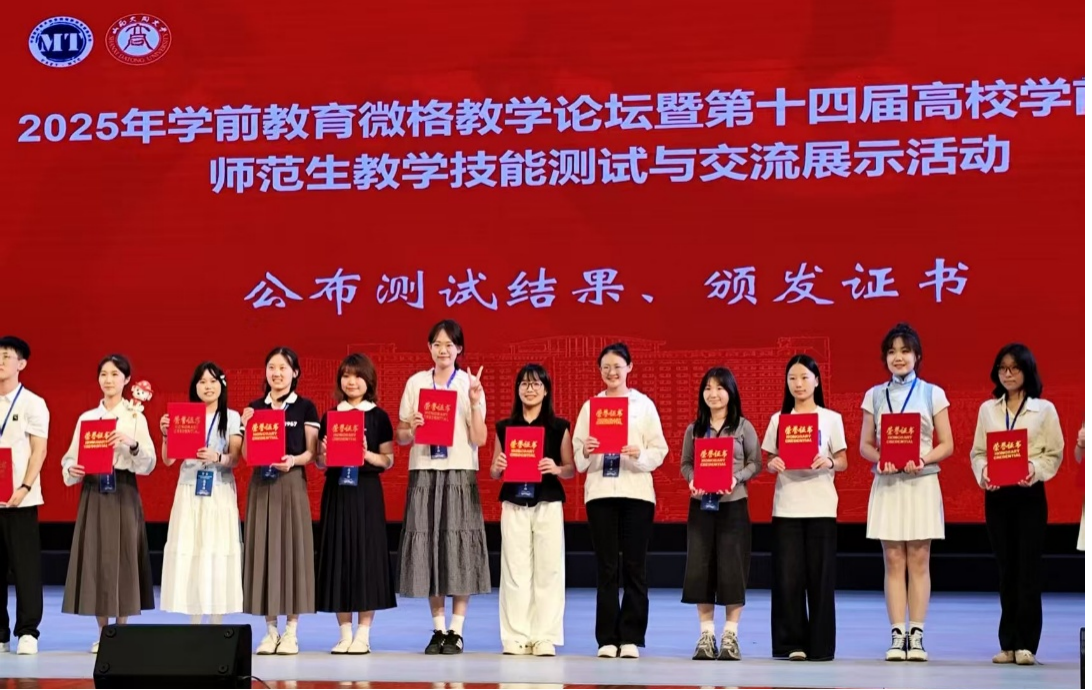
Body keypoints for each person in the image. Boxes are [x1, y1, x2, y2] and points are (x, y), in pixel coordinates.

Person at [859, 323, 953, 662]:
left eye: (904, 351)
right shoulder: (874, 395)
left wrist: (923, 459)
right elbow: (865, 445)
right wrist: (880, 459)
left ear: (917, 356)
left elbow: (947, 443)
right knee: (893, 559)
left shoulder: (932, 393)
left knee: (919, 558)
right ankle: (897, 635)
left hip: (921, 482)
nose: (898, 357)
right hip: (888, 483)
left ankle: (918, 635)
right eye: (892, 351)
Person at [396, 320, 490, 655]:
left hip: (460, 472)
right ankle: (438, 629)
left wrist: (475, 401)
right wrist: (412, 427)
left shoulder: (469, 384)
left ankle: (457, 630)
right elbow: (401, 436)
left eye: (450, 344)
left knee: (459, 547)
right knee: (429, 547)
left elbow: (480, 438)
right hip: (424, 470)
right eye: (437, 344)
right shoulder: (416, 383)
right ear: (429, 348)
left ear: (459, 349)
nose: (443, 350)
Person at [573, 342, 669, 659]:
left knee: (634, 566)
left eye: (617, 366)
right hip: (601, 493)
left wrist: (639, 454)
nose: (612, 372)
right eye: (606, 367)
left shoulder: (644, 405)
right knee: (606, 567)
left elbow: (659, 449)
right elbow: (578, 456)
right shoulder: (591, 407)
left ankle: (631, 636)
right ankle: (606, 638)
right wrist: (586, 449)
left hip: (636, 493)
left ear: (630, 367)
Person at [970, 343, 1064, 666]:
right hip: (997, 496)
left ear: (1027, 371)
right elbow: (978, 452)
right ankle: (1007, 643)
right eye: (1002, 368)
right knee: (1006, 570)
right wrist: (984, 472)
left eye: (1014, 368)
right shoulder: (988, 410)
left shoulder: (1044, 409)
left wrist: (1034, 469)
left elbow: (1054, 453)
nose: (1008, 374)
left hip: (1029, 496)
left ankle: (1026, 643)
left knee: (1028, 569)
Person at [61, 354, 156, 653]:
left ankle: (121, 629)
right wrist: (73, 469)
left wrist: (131, 443)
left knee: (124, 556)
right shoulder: (87, 418)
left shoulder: (135, 417)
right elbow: (69, 459)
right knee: (97, 557)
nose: (108, 380)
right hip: (94, 490)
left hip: (123, 489)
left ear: (126, 380)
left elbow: (149, 463)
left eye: (115, 374)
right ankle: (103, 632)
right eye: (104, 374)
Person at [761, 355, 848, 662]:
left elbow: (843, 460)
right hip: (787, 506)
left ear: (817, 381)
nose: (798, 384)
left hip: (821, 505)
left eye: (804, 377)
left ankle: (821, 646)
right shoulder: (779, 419)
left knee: (820, 578)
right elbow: (768, 458)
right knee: (788, 578)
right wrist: (773, 463)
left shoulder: (831, 418)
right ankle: (791, 643)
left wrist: (830, 462)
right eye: (792, 379)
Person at [490, 364, 574, 657]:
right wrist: (498, 466)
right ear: (517, 390)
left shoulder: (559, 427)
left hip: (547, 502)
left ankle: (544, 637)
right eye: (524, 384)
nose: (530, 389)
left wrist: (556, 468)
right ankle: (516, 636)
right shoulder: (504, 427)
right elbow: (494, 471)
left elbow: (570, 469)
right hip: (514, 502)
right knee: (515, 570)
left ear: (546, 390)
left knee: (549, 570)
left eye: (536, 384)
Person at [316, 353, 397, 654]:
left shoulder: (378, 417)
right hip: (338, 491)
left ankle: (363, 633)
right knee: (338, 557)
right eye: (346, 376)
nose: (351, 382)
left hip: (366, 492)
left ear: (369, 380)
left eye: (357, 376)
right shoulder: (330, 417)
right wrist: (324, 455)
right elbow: (321, 462)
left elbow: (388, 460)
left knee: (366, 558)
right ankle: (344, 633)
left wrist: (366, 455)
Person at [241, 347, 319, 655]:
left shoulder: (305, 408)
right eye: (271, 367)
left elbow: (312, 452)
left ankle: (291, 632)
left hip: (291, 483)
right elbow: (246, 454)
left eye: (283, 368)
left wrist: (293, 460)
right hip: (261, 486)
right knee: (264, 552)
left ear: (295, 372)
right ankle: (270, 630)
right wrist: (247, 425)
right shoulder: (255, 408)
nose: (276, 373)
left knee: (292, 553)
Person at [679, 366, 760, 661]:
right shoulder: (695, 429)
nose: (713, 394)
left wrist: (736, 478)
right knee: (701, 568)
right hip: (702, 506)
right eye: (708, 388)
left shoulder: (743, 427)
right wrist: (692, 479)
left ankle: (730, 635)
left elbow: (755, 463)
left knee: (732, 568)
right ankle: (706, 635)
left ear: (731, 392)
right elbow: (686, 463)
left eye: (720, 388)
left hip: (733, 505)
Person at [158, 362, 244, 624]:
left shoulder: (232, 417)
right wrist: (166, 435)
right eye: (202, 382)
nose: (208, 387)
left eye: (213, 381)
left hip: (219, 490)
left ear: (222, 385)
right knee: (192, 550)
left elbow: (235, 458)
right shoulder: (184, 416)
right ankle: (194, 621)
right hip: (189, 489)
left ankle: (217, 622)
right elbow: (168, 460)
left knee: (217, 550)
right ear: (194, 387)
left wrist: (217, 457)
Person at [0, 336, 49, 656]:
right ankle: (0, 633)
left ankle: (28, 631)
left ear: (22, 363)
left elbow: (38, 450)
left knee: (26, 568)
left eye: (6, 356)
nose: (0, 361)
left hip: (21, 499)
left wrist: (25, 487)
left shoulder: (32, 403)